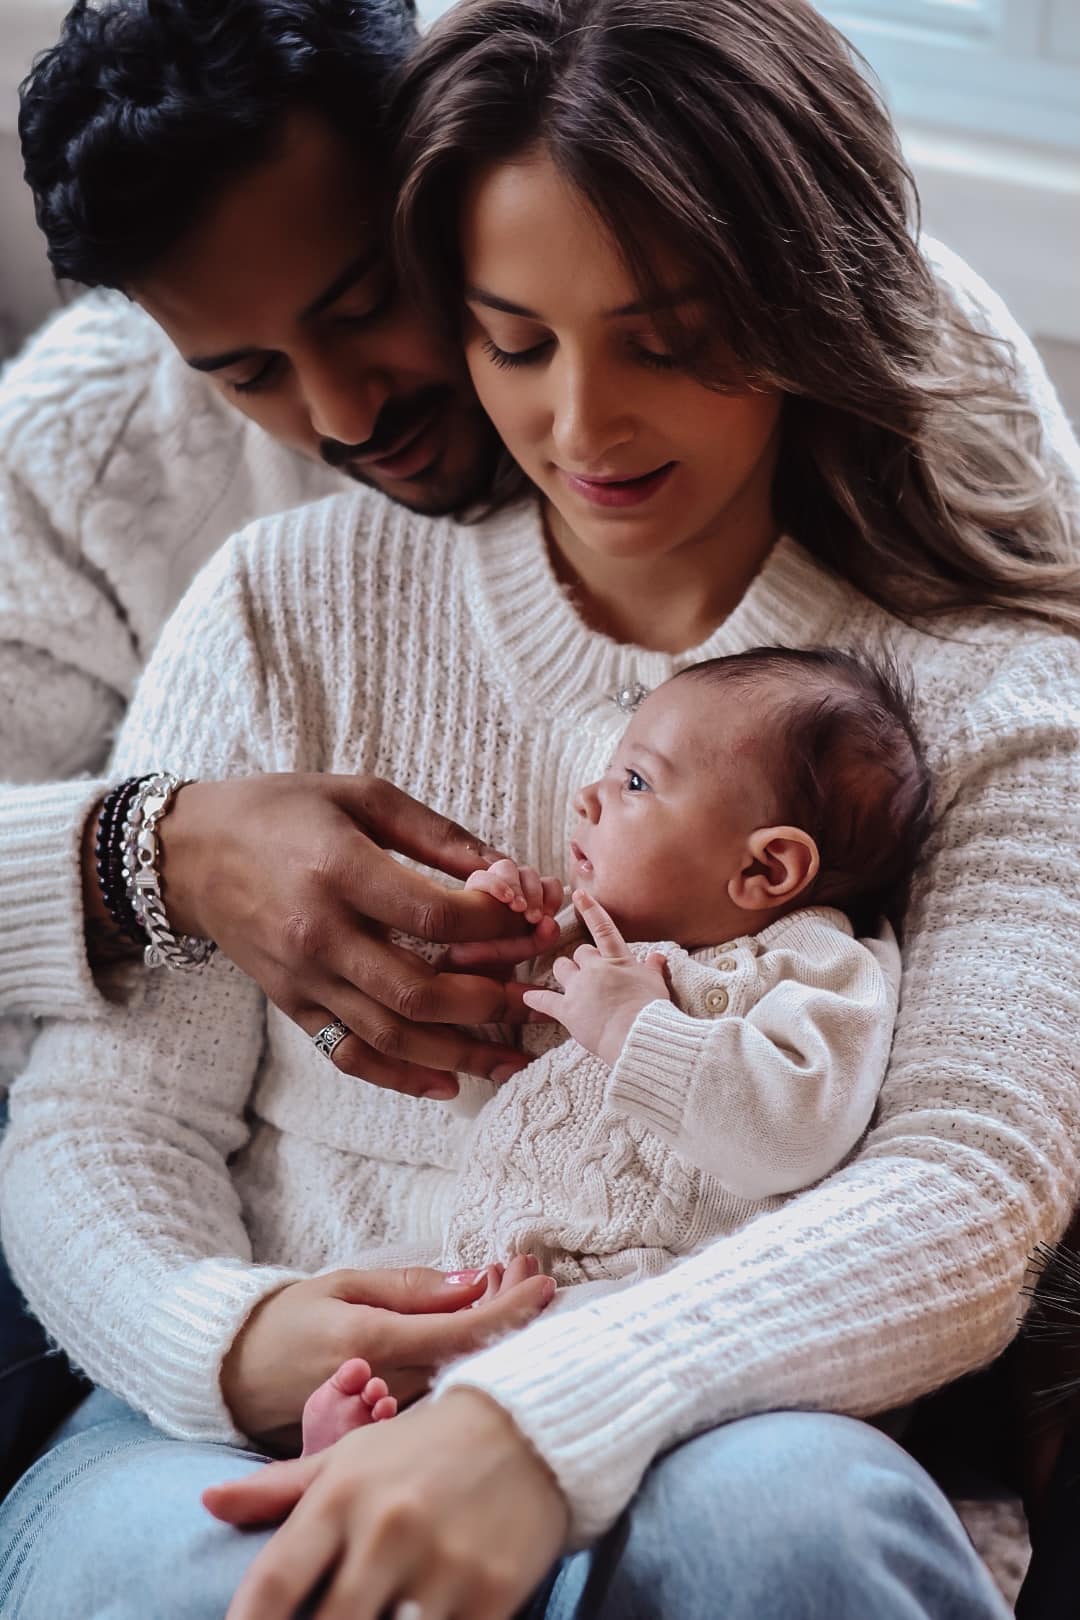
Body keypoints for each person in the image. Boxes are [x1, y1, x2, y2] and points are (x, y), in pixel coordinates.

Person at [1, 0, 1078, 1614]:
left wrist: (537, 1418)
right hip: (232, 1415)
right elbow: (107, 1120)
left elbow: (975, 1175)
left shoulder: (984, 688)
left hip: (732, 1411)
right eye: (514, 341)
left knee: (790, 1531)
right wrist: (229, 1336)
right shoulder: (274, 600)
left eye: (670, 334)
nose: (582, 426)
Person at [0, 0, 550, 1496]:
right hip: (208, 1222)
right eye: (245, 370)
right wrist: (155, 851)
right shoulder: (86, 455)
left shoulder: (738, 311)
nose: (343, 411)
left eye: (367, 300)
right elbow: (96, 1115)